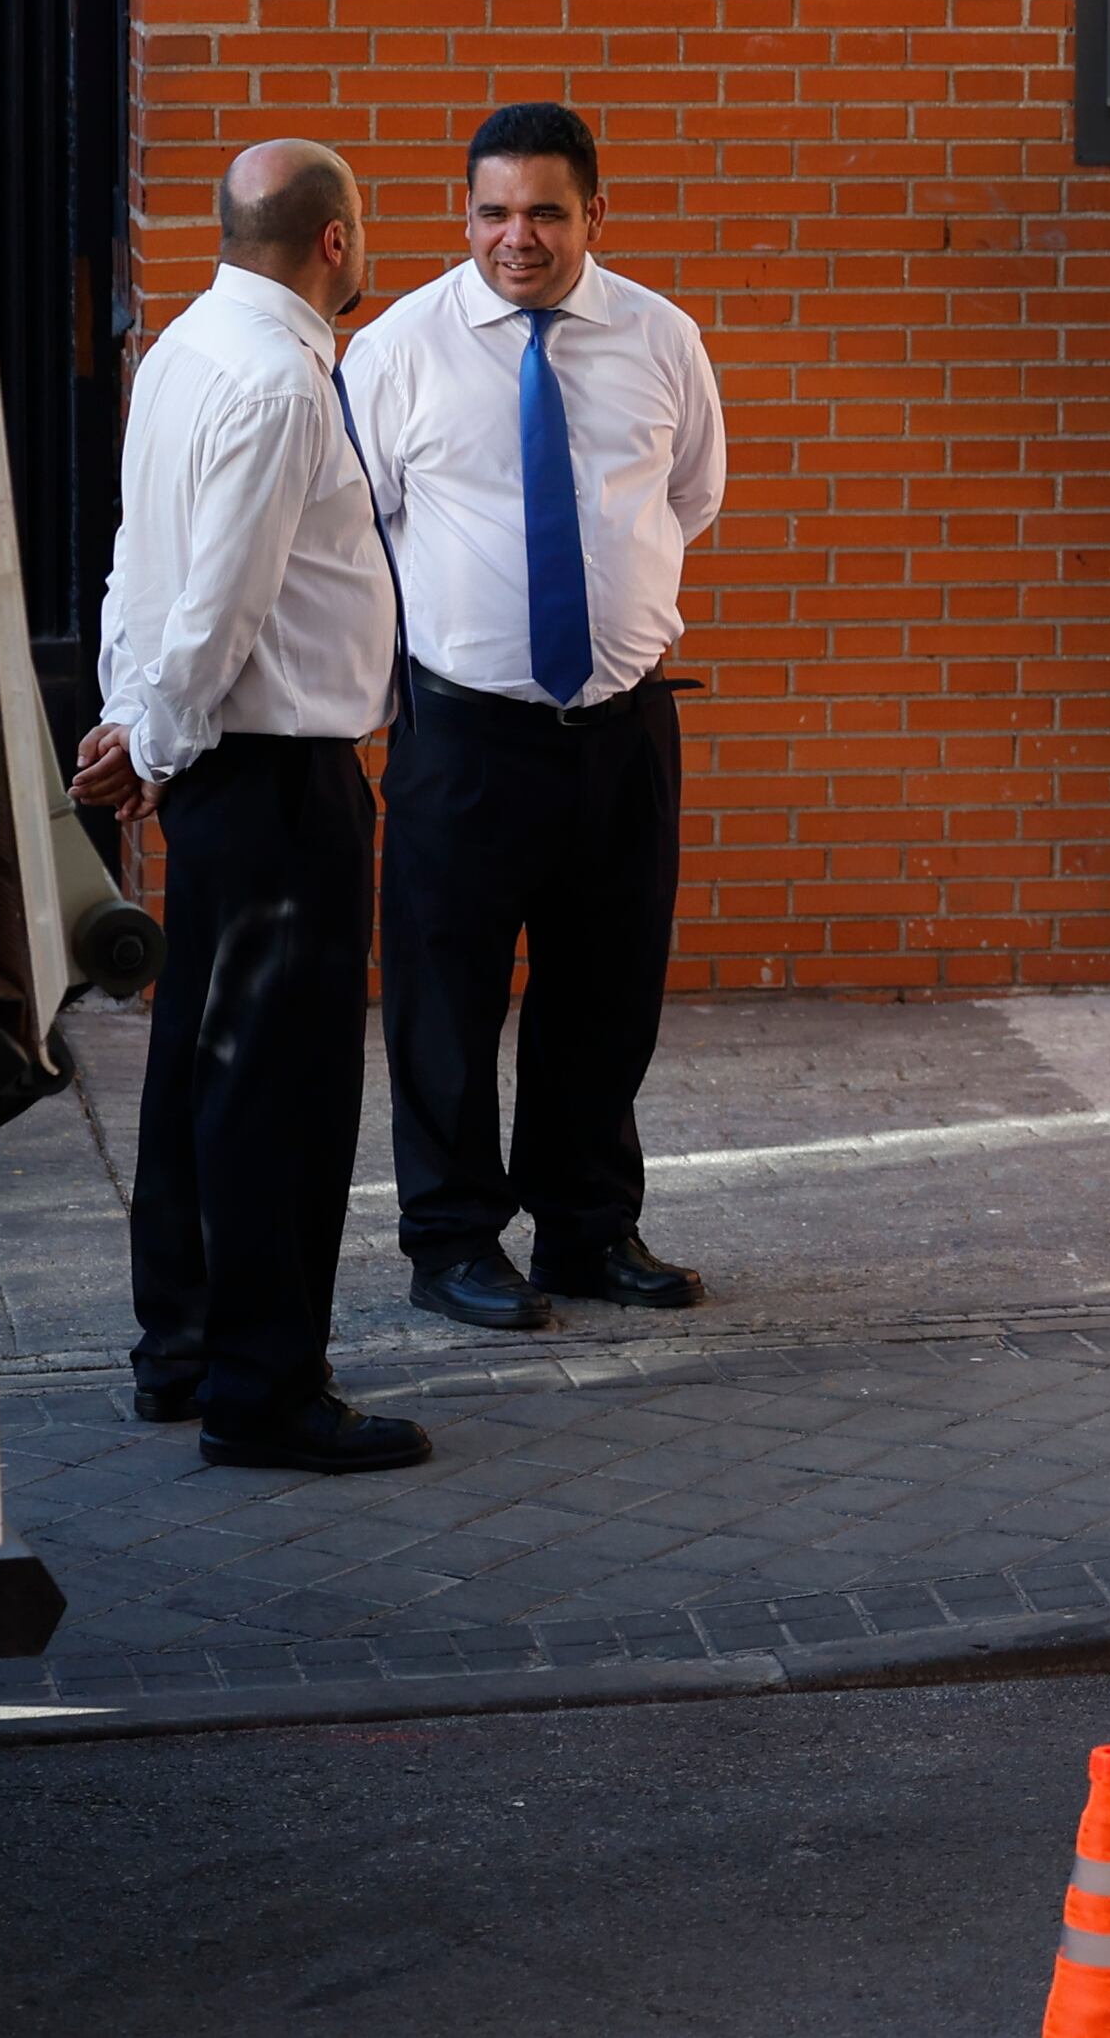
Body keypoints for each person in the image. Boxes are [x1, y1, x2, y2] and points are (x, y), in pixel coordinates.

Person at [70, 140, 429, 1476]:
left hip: (217, 763)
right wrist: (150, 736)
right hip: (276, 774)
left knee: (198, 1070)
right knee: (278, 1089)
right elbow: (220, 596)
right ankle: (266, 1390)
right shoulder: (282, 379)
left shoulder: (184, 348)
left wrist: (132, 722)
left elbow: (134, 559)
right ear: (335, 239)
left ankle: (182, 1350)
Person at [341, 101, 723, 1334]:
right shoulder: (399, 347)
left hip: (621, 729)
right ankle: (452, 1243)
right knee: (445, 1000)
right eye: (494, 212)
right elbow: (357, 530)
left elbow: (689, 495)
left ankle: (586, 1228)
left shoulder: (660, 338)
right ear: (465, 216)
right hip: (464, 734)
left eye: (546, 212)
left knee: (606, 994)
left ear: (594, 216)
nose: (518, 236)